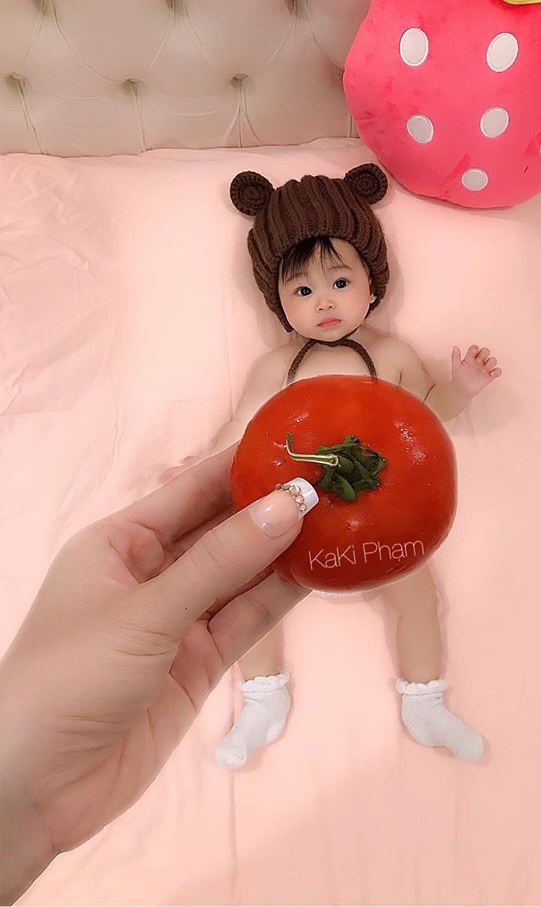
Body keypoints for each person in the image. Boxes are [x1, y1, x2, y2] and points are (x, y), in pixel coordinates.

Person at [214, 162, 503, 769]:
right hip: (294, 513)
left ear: (372, 284)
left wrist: (461, 388)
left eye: (340, 282)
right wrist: (198, 464)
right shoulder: (276, 368)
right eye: (302, 291)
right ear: (278, 304)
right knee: (249, 596)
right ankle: (262, 698)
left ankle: (425, 701)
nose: (324, 301)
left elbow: (427, 419)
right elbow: (241, 432)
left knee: (419, 596)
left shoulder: (391, 354)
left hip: (379, 513)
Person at [0, 445, 316, 905]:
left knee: (399, 592)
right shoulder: (273, 419)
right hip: (278, 512)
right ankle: (265, 689)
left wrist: (24, 802)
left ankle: (420, 687)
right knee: (244, 603)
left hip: (340, 529)